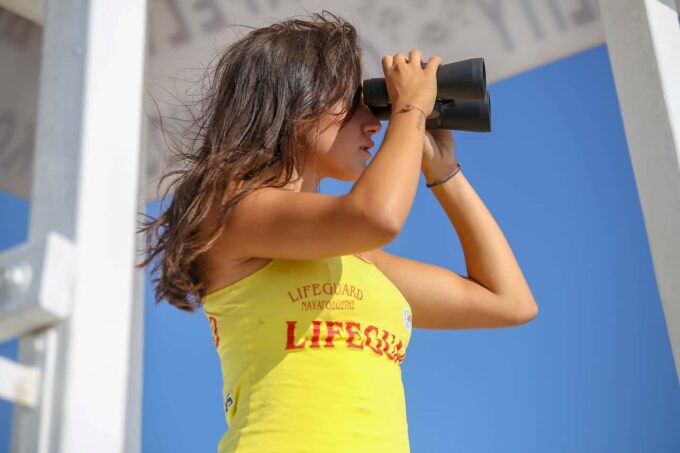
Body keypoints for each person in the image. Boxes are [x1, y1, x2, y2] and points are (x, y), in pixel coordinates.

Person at [138, 10, 538, 453]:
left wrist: (444, 173)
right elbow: (376, 217)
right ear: (297, 103)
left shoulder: (359, 261)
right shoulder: (229, 208)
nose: (373, 123)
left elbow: (508, 302)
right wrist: (409, 109)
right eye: (352, 102)